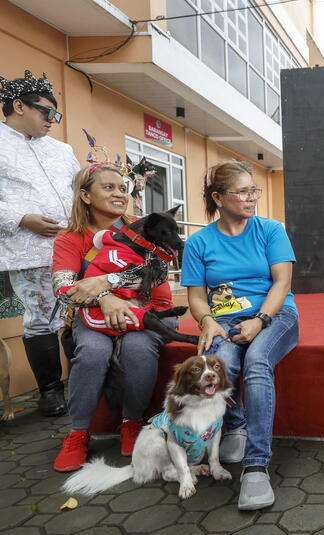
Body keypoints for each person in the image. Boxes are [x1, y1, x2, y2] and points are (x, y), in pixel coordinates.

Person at [181, 161, 299, 510]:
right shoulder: (199, 242)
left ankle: (256, 464)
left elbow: (282, 282)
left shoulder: (271, 230)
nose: (252, 198)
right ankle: (236, 423)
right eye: (243, 191)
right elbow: (197, 296)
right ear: (218, 197)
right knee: (221, 366)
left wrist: (261, 319)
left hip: (276, 313)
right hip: (226, 320)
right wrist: (207, 321)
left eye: (254, 191)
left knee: (258, 362)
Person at [51, 162, 178, 472]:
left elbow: (159, 273)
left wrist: (106, 281)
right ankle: (78, 432)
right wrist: (105, 298)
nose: (120, 193)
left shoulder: (146, 225)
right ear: (85, 195)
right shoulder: (69, 239)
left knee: (137, 348)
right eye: (108, 188)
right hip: (95, 314)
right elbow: (63, 288)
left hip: (151, 310)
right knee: (93, 352)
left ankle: (131, 422)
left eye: (123, 188)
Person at [0, 70, 79, 416]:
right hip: (26, 250)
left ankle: (85, 381)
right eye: (47, 112)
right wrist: (21, 218)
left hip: (74, 247)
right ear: (19, 106)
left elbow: (81, 190)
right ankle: (50, 391)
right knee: (40, 318)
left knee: (78, 313)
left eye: (55, 114)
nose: (53, 120)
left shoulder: (62, 150)